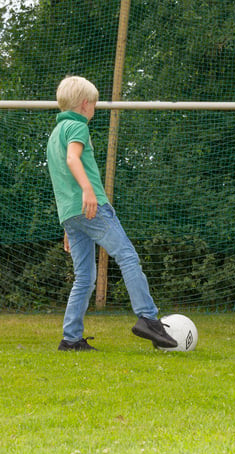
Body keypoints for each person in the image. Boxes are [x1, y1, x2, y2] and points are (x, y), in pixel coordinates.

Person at [46, 75, 176, 351]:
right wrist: (89, 190)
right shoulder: (77, 127)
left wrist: (69, 226)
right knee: (127, 255)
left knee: (84, 277)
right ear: (85, 104)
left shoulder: (55, 133)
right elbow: (72, 159)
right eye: (93, 104)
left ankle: (71, 339)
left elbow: (60, 179)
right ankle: (147, 318)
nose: (94, 109)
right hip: (91, 207)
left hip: (71, 215)